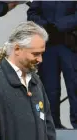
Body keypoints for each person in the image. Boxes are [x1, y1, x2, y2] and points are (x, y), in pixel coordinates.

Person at [27, 1, 77, 129]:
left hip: (71, 46)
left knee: (74, 86)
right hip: (48, 47)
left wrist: (58, 26)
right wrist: (46, 27)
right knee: (49, 89)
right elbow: (32, 14)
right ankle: (52, 127)